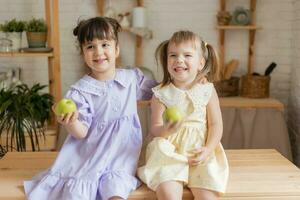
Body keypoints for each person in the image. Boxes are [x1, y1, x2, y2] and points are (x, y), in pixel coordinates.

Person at [24, 16, 157, 200]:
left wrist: (191, 81)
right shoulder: (80, 92)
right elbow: (81, 133)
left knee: (116, 193)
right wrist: (70, 121)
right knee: (77, 194)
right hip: (88, 160)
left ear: (116, 49)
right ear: (83, 53)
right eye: (90, 47)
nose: (98, 52)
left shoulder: (131, 79)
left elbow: (160, 92)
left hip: (120, 162)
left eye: (104, 44)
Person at [137, 30, 229, 200]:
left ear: (200, 63)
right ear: (167, 62)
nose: (179, 60)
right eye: (173, 55)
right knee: (169, 195)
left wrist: (208, 150)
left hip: (199, 151)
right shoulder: (160, 94)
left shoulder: (207, 90)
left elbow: (216, 125)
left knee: (208, 197)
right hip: (168, 154)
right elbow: (155, 129)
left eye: (187, 55)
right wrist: (167, 129)